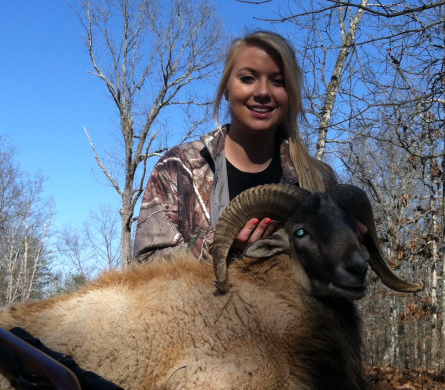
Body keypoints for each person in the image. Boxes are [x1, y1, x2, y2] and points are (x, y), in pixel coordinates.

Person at [133, 30, 338, 262]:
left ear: (290, 95)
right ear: (226, 90)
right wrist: (221, 244)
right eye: (248, 78)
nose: (262, 92)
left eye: (278, 81)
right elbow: (145, 264)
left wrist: (352, 243)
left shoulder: (319, 180)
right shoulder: (178, 167)